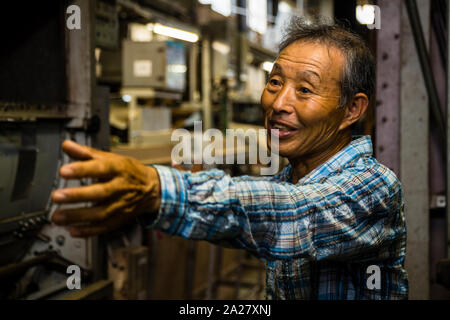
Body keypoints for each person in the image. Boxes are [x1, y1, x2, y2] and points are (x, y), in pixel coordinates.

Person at [51, 17, 409, 299]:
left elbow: (292, 217)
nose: (278, 104)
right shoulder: (287, 180)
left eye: (304, 89)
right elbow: (253, 210)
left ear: (352, 110)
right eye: (274, 82)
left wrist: (158, 189)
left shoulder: (375, 188)